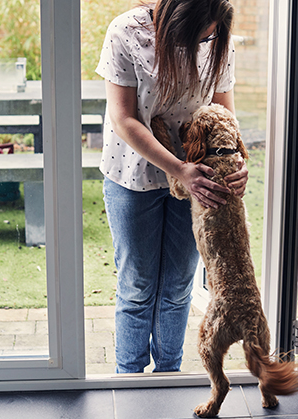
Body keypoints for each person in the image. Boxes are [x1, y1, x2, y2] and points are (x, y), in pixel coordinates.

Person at [95, 0, 248, 373]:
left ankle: (168, 374)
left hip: (199, 178)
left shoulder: (216, 39)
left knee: (179, 284)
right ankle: (128, 378)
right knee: (137, 285)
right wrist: (178, 169)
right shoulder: (126, 32)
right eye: (196, 37)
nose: (204, 43)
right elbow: (124, 117)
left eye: (209, 37)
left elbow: (222, 111)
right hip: (133, 174)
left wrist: (236, 160)